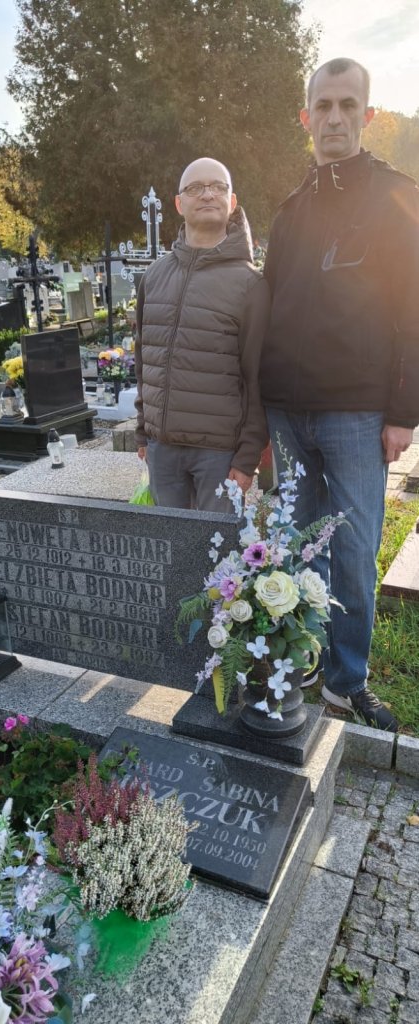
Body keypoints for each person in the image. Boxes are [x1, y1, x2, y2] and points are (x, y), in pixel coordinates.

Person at [260, 58, 419, 731]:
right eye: (322, 105)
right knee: (298, 543)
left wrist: (404, 411)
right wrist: (260, 414)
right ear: (306, 117)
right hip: (286, 413)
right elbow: (269, 305)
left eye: (347, 105)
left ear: (367, 115)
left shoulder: (397, 197)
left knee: (352, 549)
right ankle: (303, 654)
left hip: (356, 411)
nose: (334, 117)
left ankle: (346, 680)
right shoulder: (291, 208)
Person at [134, 157, 269, 512]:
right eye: (195, 188)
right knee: (170, 545)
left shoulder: (251, 285)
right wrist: (143, 431)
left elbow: (257, 378)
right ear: (179, 203)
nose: (207, 194)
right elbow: (143, 359)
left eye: (217, 187)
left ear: (232, 202)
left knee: (219, 548)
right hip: (162, 453)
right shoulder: (154, 277)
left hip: (219, 457)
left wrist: (247, 457)